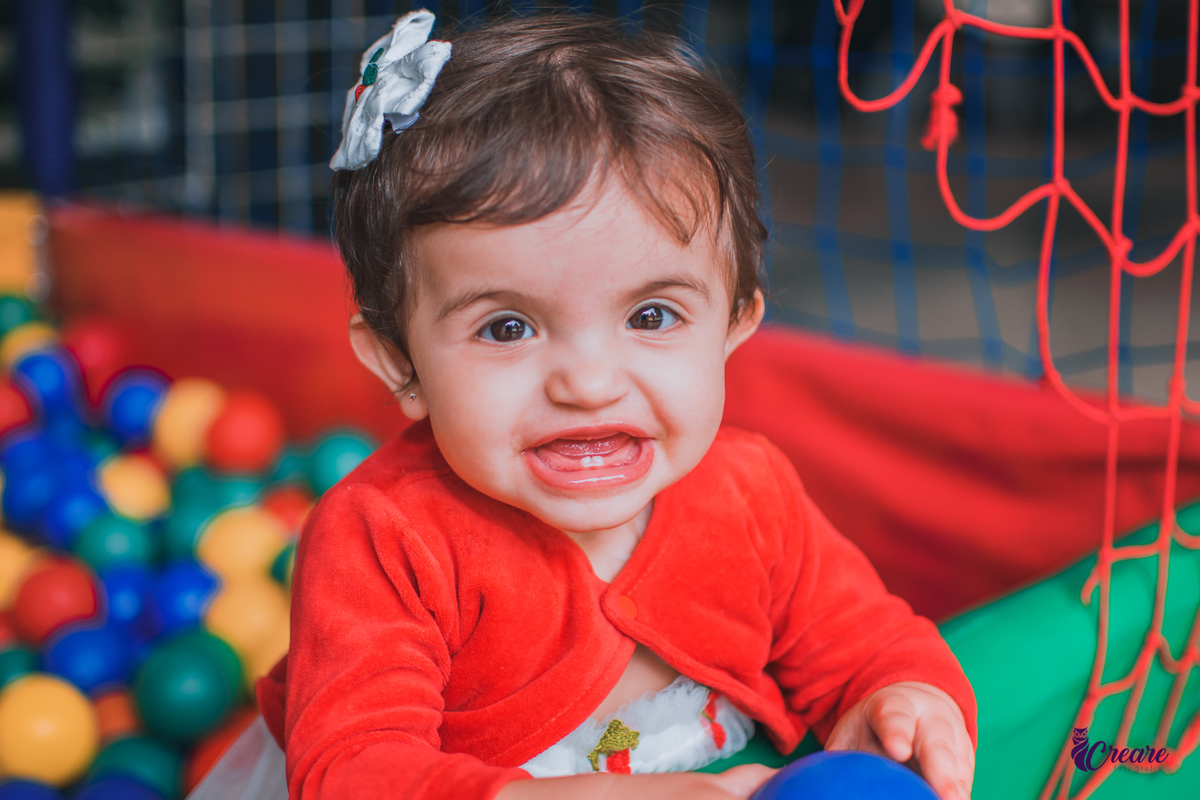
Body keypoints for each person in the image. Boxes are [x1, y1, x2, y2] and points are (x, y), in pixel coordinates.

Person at [252, 10, 978, 800]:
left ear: (735, 325)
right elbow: (354, 772)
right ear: (401, 362)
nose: (590, 385)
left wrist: (902, 696)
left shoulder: (752, 494)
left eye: (651, 316)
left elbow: (865, 639)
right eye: (507, 327)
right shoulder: (384, 539)